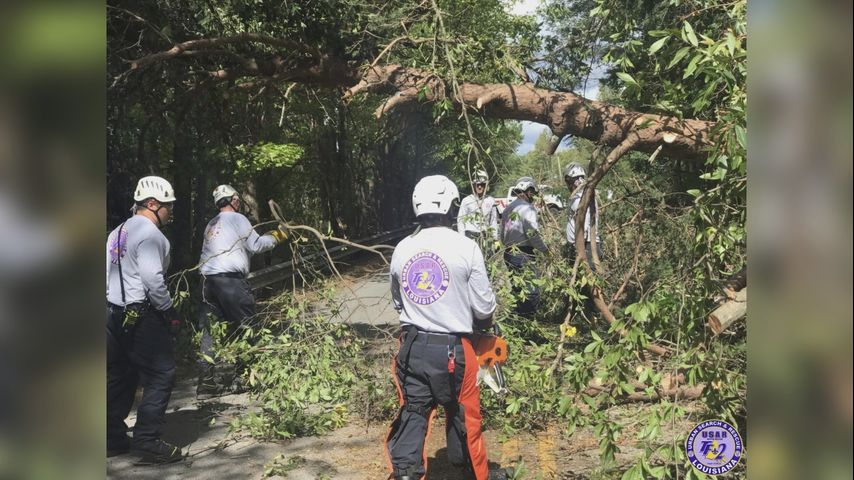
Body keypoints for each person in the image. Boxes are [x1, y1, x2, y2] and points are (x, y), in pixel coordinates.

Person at [386, 175, 511, 480]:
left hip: (412, 348)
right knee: (464, 413)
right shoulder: (465, 247)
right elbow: (484, 308)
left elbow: (398, 302)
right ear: (451, 207)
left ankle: (405, 473)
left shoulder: (402, 248)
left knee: (413, 413)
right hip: (455, 351)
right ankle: (473, 472)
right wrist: (481, 328)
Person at [106, 176, 183, 464]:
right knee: (161, 373)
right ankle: (147, 442)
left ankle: (110, 438)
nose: (170, 211)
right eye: (168, 206)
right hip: (140, 313)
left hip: (111, 313)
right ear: (152, 204)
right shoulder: (151, 235)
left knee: (121, 374)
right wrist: (168, 311)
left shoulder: (116, 232)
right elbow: (153, 279)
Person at [196, 184, 288, 397]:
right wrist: (278, 235)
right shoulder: (238, 219)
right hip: (230, 283)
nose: (239, 202)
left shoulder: (211, 223)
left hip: (207, 283)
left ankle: (206, 383)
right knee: (246, 327)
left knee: (209, 331)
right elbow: (255, 246)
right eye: (237, 199)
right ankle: (247, 377)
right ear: (233, 200)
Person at [500, 176, 548, 316]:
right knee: (531, 290)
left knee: (517, 289)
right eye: (532, 192)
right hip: (523, 254)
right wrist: (545, 250)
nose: (533, 195)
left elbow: (502, 234)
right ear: (527, 191)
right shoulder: (528, 209)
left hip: (509, 252)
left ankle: (517, 319)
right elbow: (533, 234)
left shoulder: (508, 209)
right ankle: (527, 321)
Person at [563, 163, 602, 270]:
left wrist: (580, 248)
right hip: (584, 244)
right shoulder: (581, 196)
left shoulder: (579, 199)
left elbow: (583, 225)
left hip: (585, 246)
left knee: (587, 281)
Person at [456, 170, 499, 243]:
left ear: (485, 185)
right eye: (477, 184)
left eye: (482, 184)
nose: (479, 187)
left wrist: (495, 239)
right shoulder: (467, 200)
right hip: (470, 235)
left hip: (485, 235)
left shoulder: (491, 200)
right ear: (473, 185)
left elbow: (493, 221)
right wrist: (462, 239)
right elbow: (460, 220)